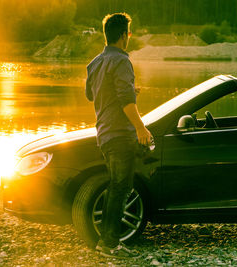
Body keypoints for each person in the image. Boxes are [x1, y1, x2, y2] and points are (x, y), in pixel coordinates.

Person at [85, 12, 152, 258]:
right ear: (124, 36)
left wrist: (129, 91)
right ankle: (109, 244)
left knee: (116, 186)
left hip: (103, 133)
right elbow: (125, 102)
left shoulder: (94, 63)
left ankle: (107, 242)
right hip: (120, 133)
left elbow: (92, 95)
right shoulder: (122, 61)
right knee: (121, 187)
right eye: (129, 34)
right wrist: (140, 127)